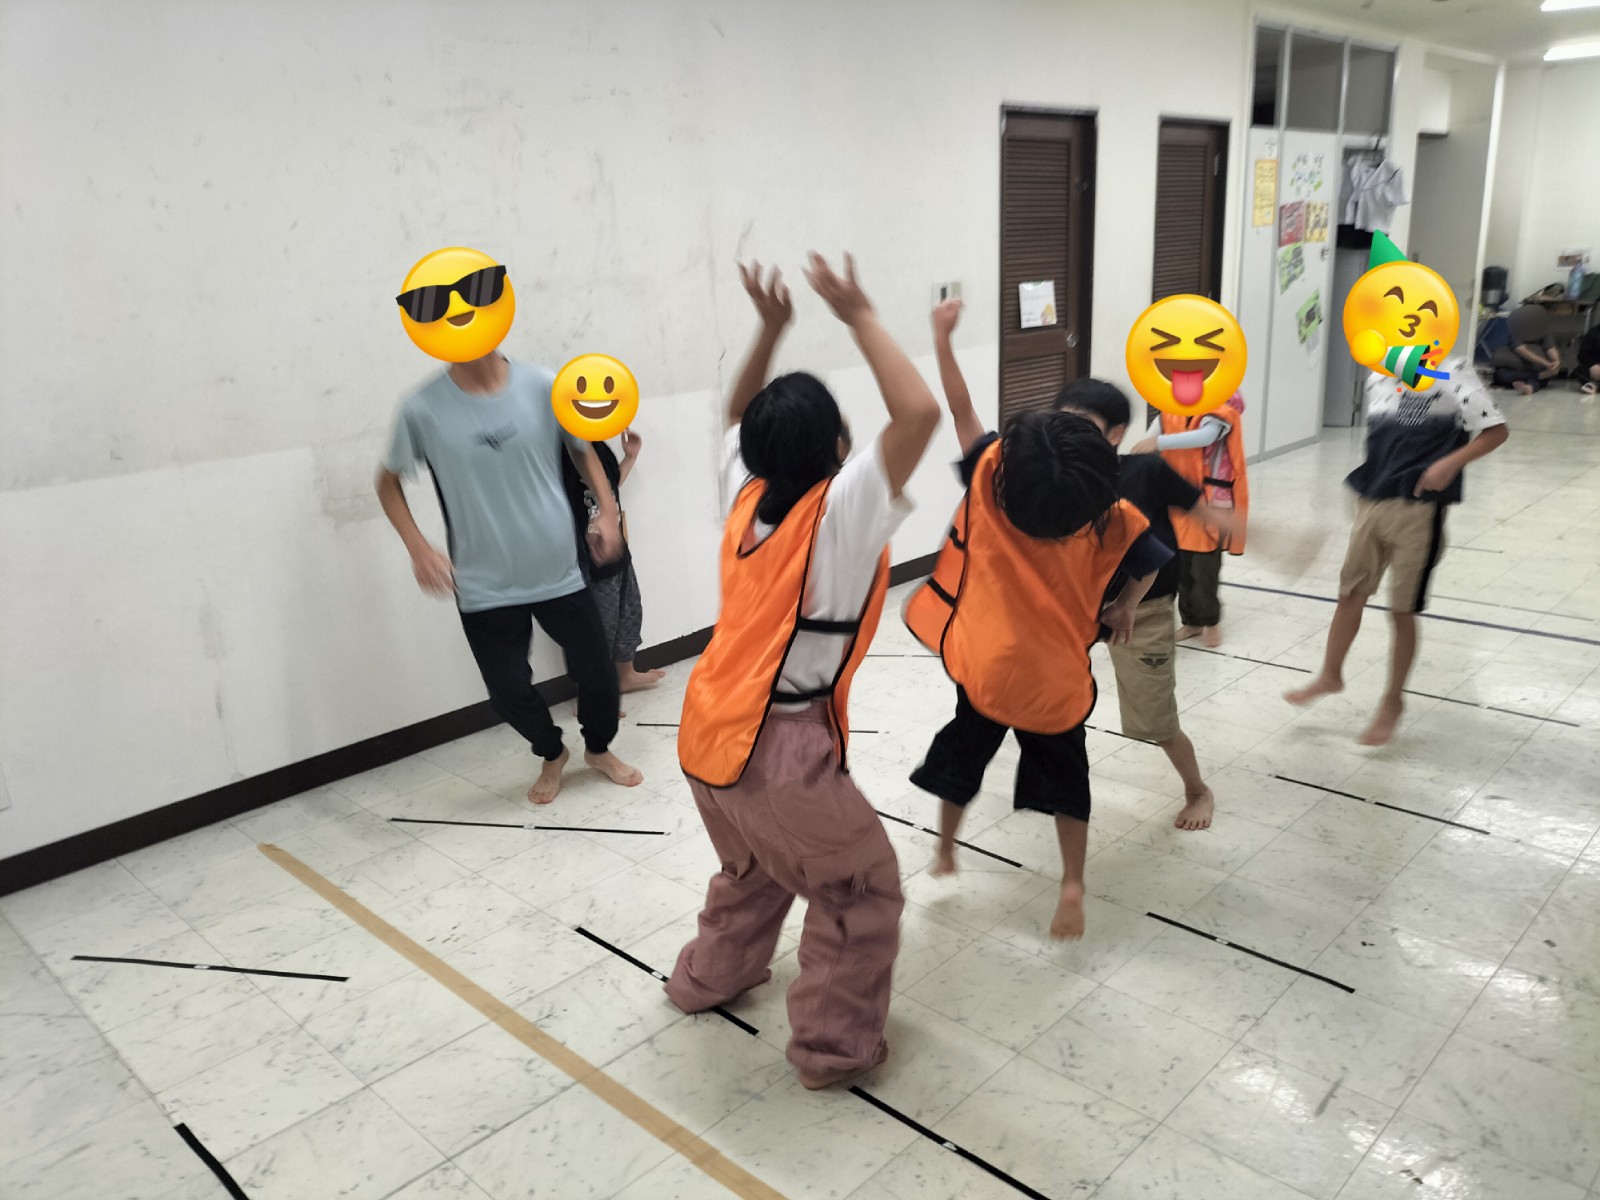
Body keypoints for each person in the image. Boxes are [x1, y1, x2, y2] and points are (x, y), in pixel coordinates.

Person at [666, 255, 940, 1091]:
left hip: (706, 729)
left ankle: (704, 980)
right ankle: (831, 1049)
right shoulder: (841, 510)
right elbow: (920, 413)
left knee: (753, 870)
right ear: (838, 449)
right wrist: (858, 315)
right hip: (780, 751)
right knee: (859, 890)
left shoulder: (746, 493)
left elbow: (734, 413)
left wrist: (772, 326)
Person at [906, 299, 1167, 941]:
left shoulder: (991, 484)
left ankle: (945, 850)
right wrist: (1123, 607)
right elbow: (1152, 562)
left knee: (961, 762)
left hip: (985, 670)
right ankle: (1072, 884)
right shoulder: (1111, 519)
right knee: (1068, 785)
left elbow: (962, 412)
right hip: (1055, 687)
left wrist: (942, 338)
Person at [377, 350, 643, 805]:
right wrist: (417, 547)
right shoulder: (421, 408)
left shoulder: (545, 385)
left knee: (599, 675)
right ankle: (552, 752)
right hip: (483, 581)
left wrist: (607, 512)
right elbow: (387, 482)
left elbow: (582, 450)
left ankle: (598, 749)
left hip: (559, 567)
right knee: (507, 692)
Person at [1285, 354, 1509, 744]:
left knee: (1402, 610)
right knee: (1350, 593)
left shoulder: (1450, 370)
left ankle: (1393, 700)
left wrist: (1450, 464)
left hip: (1420, 510)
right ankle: (1330, 675)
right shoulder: (1379, 373)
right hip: (1372, 502)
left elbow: (1496, 430)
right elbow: (1384, 443)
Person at [1056, 379, 1235, 832]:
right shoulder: (1061, 479)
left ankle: (1198, 790)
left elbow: (1208, 514)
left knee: (1155, 717)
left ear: (1116, 433)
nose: (1069, 433)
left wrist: (1273, 539)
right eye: (1062, 422)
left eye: (1082, 424)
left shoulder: (1145, 470)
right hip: (1076, 606)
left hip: (1144, 609)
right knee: (1040, 697)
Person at [1131, 394, 1249, 647]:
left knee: (1204, 568)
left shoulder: (1222, 409)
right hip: (1177, 501)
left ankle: (1211, 621)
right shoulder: (1169, 410)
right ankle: (1192, 622)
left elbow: (1206, 436)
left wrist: (1158, 442)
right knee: (1181, 567)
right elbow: (1151, 438)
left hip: (1210, 503)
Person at [560, 429, 667, 698]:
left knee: (629, 610)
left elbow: (610, 485)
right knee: (598, 625)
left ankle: (625, 675)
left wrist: (630, 457)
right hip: (590, 554)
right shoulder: (565, 449)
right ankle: (592, 694)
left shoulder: (598, 445)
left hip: (615, 547)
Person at [1490, 303, 1562, 394]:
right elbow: (1520, 349)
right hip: (1515, 368)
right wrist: (1545, 363)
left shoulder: (1544, 331)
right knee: (1500, 375)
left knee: (1546, 376)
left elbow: (1550, 348)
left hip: (1534, 368)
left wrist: (1556, 361)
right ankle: (1537, 378)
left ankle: (1528, 387)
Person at [1575, 322, 1600, 396]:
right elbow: (1583, 354)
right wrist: (1593, 365)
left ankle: (1595, 384)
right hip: (1595, 367)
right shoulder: (1594, 333)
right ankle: (1594, 383)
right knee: (1582, 371)